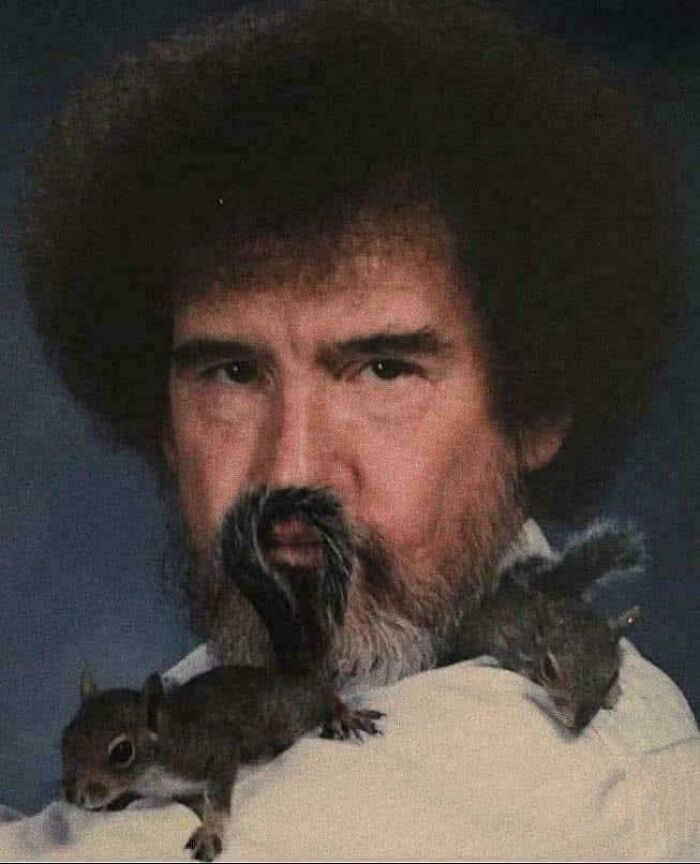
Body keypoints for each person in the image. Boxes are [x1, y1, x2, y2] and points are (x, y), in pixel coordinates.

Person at [3, 0, 697, 859]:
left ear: (533, 410)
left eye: (383, 370)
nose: (292, 470)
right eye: (233, 373)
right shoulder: (229, 690)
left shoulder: (537, 764)